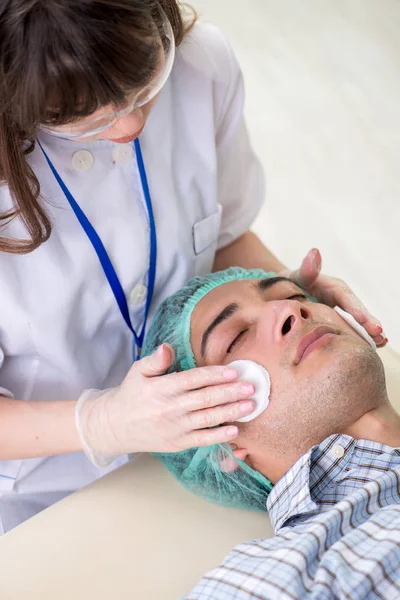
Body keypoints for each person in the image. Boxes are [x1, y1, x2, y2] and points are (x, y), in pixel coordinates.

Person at [0, 1, 386, 534]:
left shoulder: (202, 66)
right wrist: (103, 423)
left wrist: (288, 291)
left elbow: (224, 235)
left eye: (146, 85)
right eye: (86, 118)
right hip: (32, 494)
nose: (132, 124)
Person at [141, 267, 400, 599]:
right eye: (235, 338)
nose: (291, 309)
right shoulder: (281, 579)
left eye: (294, 295)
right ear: (220, 440)